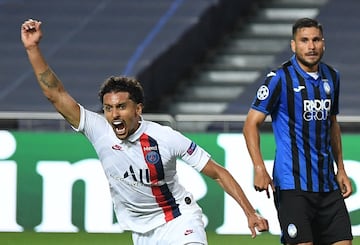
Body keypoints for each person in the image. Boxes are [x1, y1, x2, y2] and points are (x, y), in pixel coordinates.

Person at [21, 19, 268, 245]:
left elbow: (218, 173)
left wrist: (249, 212)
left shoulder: (165, 138)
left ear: (138, 109)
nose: (114, 114)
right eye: (108, 108)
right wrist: (33, 49)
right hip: (141, 234)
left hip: (179, 221)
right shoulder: (98, 130)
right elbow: (56, 95)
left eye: (121, 107)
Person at [243, 17, 353, 245]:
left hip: (327, 184)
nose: (311, 46)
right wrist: (259, 167)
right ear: (293, 45)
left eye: (316, 40)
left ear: (323, 43)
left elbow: (332, 124)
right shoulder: (279, 79)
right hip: (292, 185)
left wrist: (340, 168)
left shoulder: (332, 77)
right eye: (304, 40)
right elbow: (250, 124)